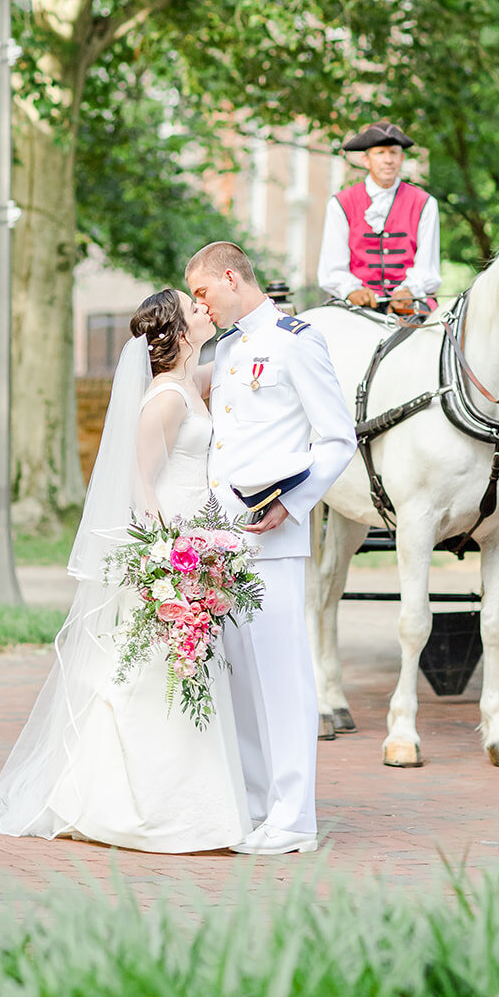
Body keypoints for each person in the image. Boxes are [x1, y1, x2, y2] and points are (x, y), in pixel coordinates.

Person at [0, 289, 250, 853]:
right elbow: (140, 483)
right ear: (180, 331)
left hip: (197, 545)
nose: (205, 309)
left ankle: (191, 806)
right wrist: (167, 559)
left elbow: (233, 366)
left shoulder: (189, 384)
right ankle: (131, 806)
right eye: (195, 307)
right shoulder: (164, 399)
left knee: (178, 673)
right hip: (171, 553)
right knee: (154, 675)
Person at [186, 242, 357, 855]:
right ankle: (258, 807)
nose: (201, 308)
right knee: (239, 681)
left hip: (273, 537)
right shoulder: (227, 347)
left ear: (231, 278)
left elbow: (338, 438)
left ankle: (294, 819)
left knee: (283, 681)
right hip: (221, 540)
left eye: (203, 293)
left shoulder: (294, 339)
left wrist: (294, 502)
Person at [317, 119, 441, 313]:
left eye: (394, 153)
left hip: (411, 302)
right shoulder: (340, 204)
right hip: (355, 304)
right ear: (366, 160)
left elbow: (427, 267)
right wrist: (351, 291)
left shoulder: (425, 203)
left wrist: (408, 290)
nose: (388, 160)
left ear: (401, 158)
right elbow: (333, 268)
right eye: (380, 153)